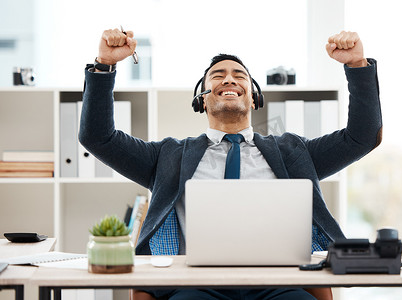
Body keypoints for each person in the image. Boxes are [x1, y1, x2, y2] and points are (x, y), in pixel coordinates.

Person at [79, 29, 382, 300]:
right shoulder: (168, 156)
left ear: (253, 98)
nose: (229, 79)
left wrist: (356, 66)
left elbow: (363, 136)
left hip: (280, 285)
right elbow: (97, 137)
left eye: (240, 76)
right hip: (195, 286)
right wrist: (105, 66)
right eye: (217, 75)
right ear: (202, 99)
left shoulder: (295, 152)